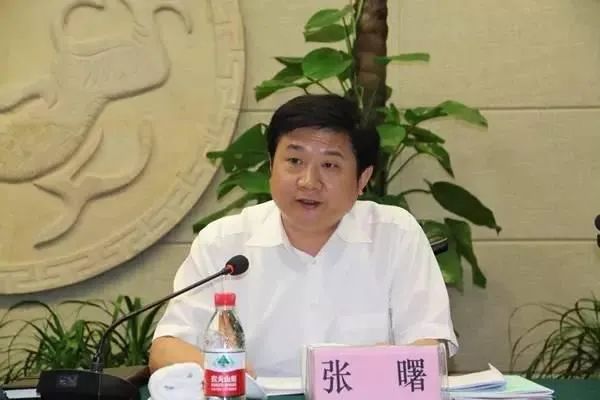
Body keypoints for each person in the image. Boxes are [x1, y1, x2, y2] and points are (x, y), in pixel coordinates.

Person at [149, 94, 458, 377]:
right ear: (272, 166)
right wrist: (230, 375)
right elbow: (167, 347)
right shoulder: (223, 242)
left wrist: (374, 367)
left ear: (362, 178)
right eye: (295, 161)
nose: (309, 182)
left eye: (330, 165)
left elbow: (430, 346)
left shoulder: (396, 235)